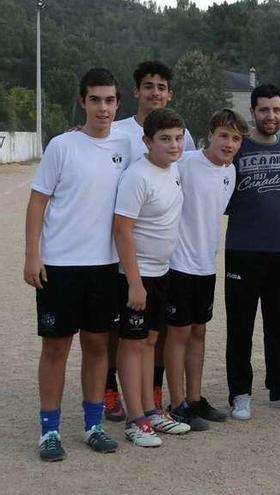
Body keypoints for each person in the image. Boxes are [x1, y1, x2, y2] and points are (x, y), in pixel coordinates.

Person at [26, 68, 129, 461]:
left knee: (98, 345)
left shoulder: (126, 147)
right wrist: (31, 255)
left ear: (118, 103)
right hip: (61, 264)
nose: (102, 107)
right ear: (82, 101)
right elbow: (38, 201)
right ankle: (49, 431)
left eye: (109, 100)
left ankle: (93, 425)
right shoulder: (62, 146)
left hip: (104, 266)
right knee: (55, 348)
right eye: (95, 99)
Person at [105, 60, 197, 420]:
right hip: (122, 249)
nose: (155, 91)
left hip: (162, 260)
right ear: (137, 91)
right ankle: (115, 395)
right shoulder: (117, 131)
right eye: (148, 86)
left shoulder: (180, 138)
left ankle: (150, 399)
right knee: (122, 335)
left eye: (161, 86)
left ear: (169, 93)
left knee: (151, 337)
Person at [225, 84, 280, 420]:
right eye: (264, 110)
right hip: (242, 249)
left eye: (276, 110)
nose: (271, 116)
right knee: (240, 326)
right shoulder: (236, 148)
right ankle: (240, 393)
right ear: (253, 113)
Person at [165, 109, 248, 430]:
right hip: (178, 264)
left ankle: (195, 399)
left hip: (205, 265)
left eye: (236, 138)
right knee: (179, 334)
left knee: (199, 332)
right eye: (224, 136)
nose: (229, 143)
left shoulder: (230, 172)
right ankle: (176, 404)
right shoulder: (184, 164)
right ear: (210, 135)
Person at [114, 108, 190, 447]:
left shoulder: (174, 170)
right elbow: (122, 230)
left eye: (178, 138)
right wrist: (134, 282)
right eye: (165, 139)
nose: (174, 145)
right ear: (147, 141)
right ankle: (135, 419)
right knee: (132, 345)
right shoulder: (137, 176)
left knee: (149, 343)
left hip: (162, 273)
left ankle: (150, 408)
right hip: (137, 275)